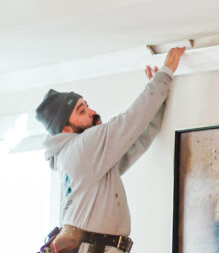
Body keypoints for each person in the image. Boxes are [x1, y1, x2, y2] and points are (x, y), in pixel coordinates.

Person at [35, 47, 185, 253]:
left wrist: (157, 100)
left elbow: (136, 141)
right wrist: (165, 74)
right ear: (66, 129)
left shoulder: (83, 159)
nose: (93, 112)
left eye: (87, 106)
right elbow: (129, 122)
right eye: (82, 111)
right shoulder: (81, 148)